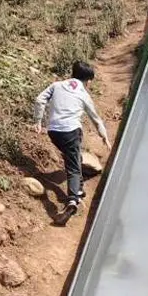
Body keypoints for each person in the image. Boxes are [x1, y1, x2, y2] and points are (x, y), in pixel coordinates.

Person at [34, 61, 111, 225]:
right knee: (74, 168)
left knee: (72, 157)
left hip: (54, 132)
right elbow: (96, 120)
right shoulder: (83, 94)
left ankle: (79, 188)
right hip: (71, 132)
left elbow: (40, 100)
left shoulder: (56, 85)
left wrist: (38, 121)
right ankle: (72, 201)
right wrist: (104, 137)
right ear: (88, 81)